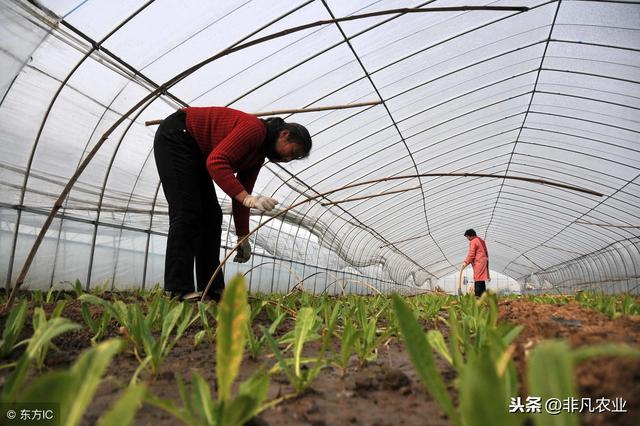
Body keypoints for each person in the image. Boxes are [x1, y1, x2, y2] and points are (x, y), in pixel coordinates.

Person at [153, 106, 312, 301]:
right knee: (187, 211)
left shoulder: (257, 156)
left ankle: (212, 288)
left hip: (196, 150)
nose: (287, 159)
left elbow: (242, 196)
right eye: (292, 152)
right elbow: (216, 162)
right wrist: (247, 198)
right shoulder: (255, 129)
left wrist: (242, 235)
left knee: (212, 217)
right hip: (177, 136)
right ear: (284, 134)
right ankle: (177, 289)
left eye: (293, 158)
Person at [460, 229, 490, 297]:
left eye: (467, 237)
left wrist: (466, 262)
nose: (467, 239)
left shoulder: (473, 241)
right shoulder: (481, 240)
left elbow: (471, 254)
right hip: (484, 261)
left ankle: (478, 296)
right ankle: (483, 296)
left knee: (478, 278)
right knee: (481, 279)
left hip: (479, 262)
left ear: (470, 235)